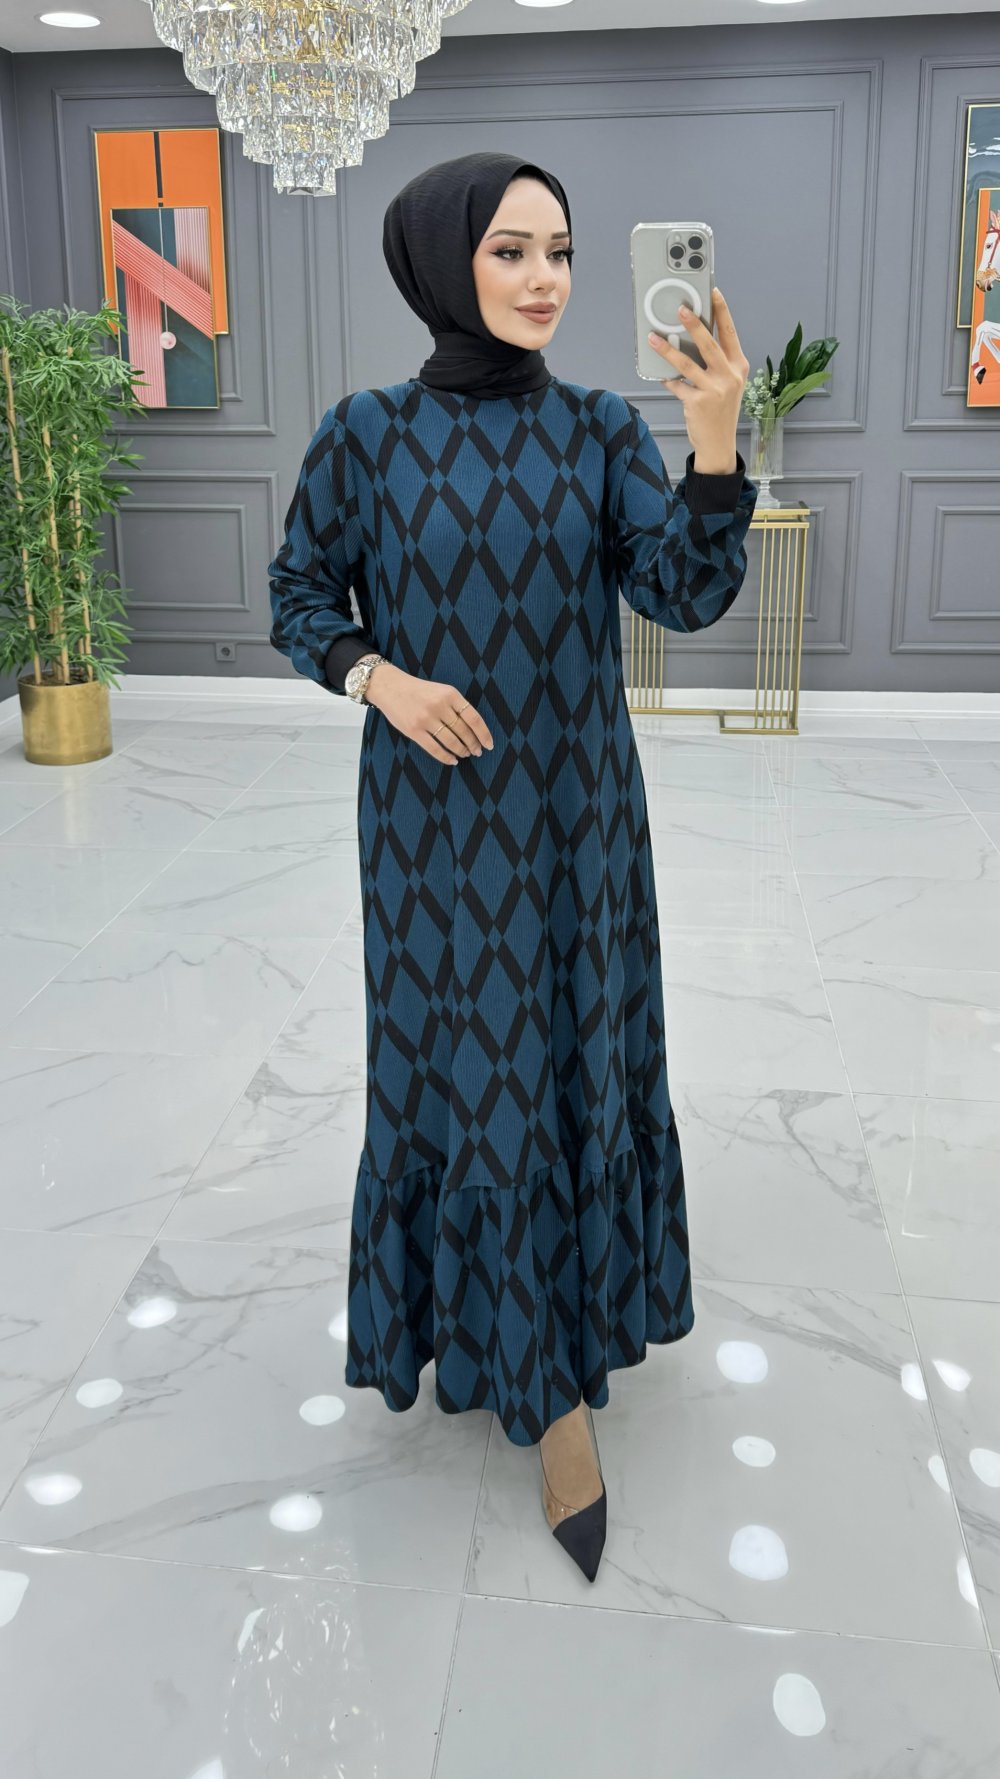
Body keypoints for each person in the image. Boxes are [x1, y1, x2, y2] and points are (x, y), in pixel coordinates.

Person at [268, 150, 757, 1584]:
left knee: (575, 1060)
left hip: (580, 820)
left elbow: (682, 592)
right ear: (442, 263)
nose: (546, 279)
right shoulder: (365, 436)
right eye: (510, 251)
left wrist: (713, 444)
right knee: (472, 1079)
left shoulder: (600, 428)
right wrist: (382, 678)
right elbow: (300, 596)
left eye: (560, 251)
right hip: (432, 835)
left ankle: (562, 1353)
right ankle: (535, 1386)